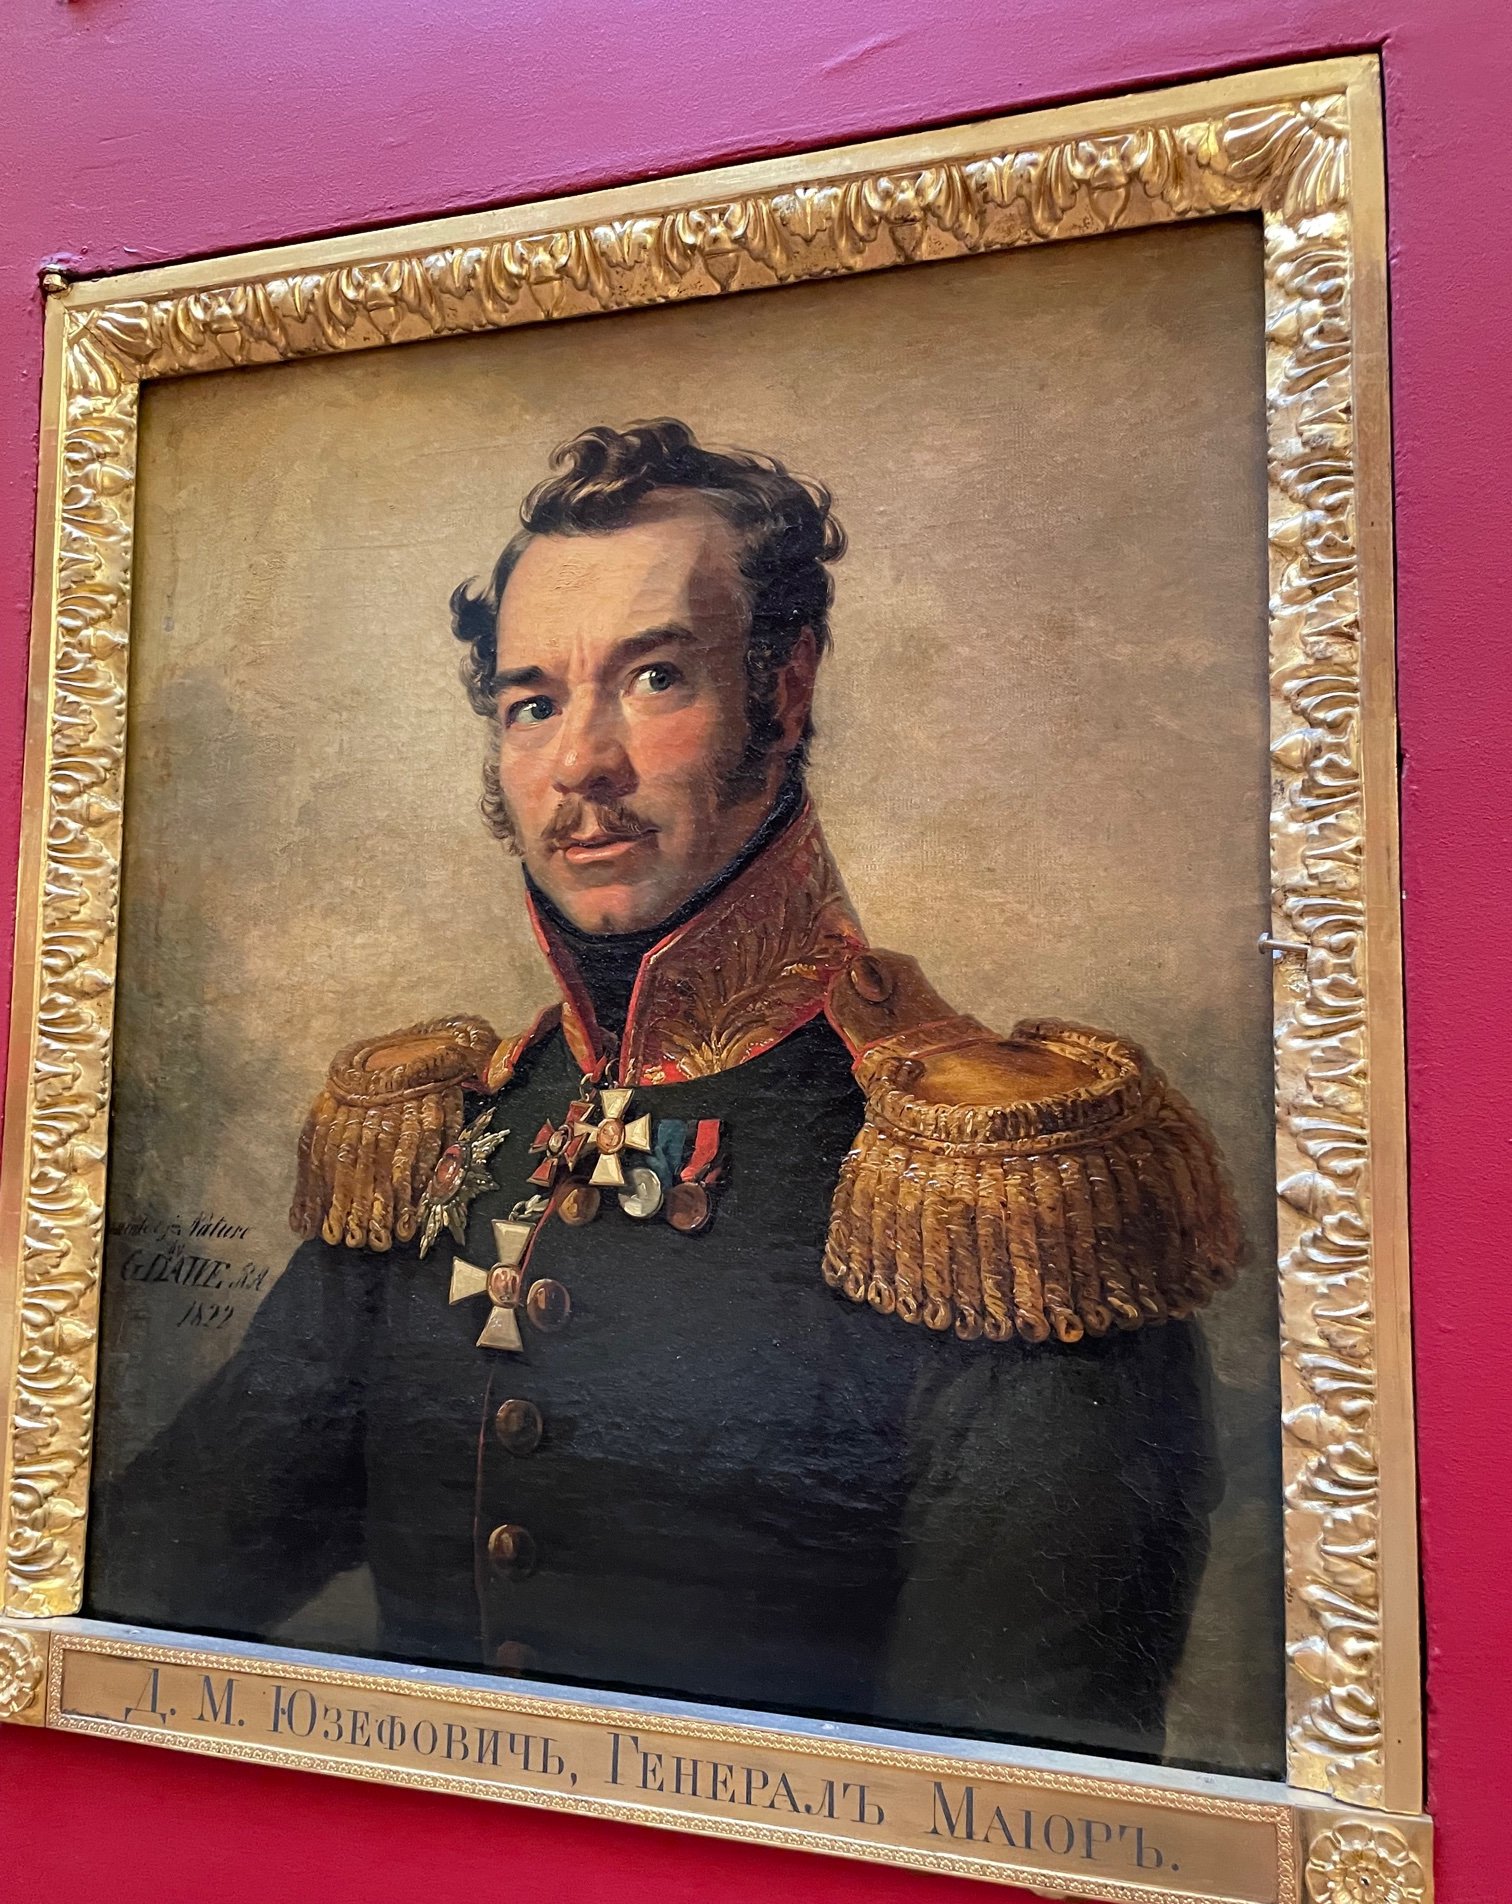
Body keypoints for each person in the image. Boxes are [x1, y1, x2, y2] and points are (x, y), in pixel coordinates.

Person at [92, 419, 1241, 1762]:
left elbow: (1005, 1801)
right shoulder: (448, 1125)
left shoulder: (1003, 1187)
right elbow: (158, 1575)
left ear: (785, 692)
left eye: (653, 678)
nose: (582, 763)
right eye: (532, 702)